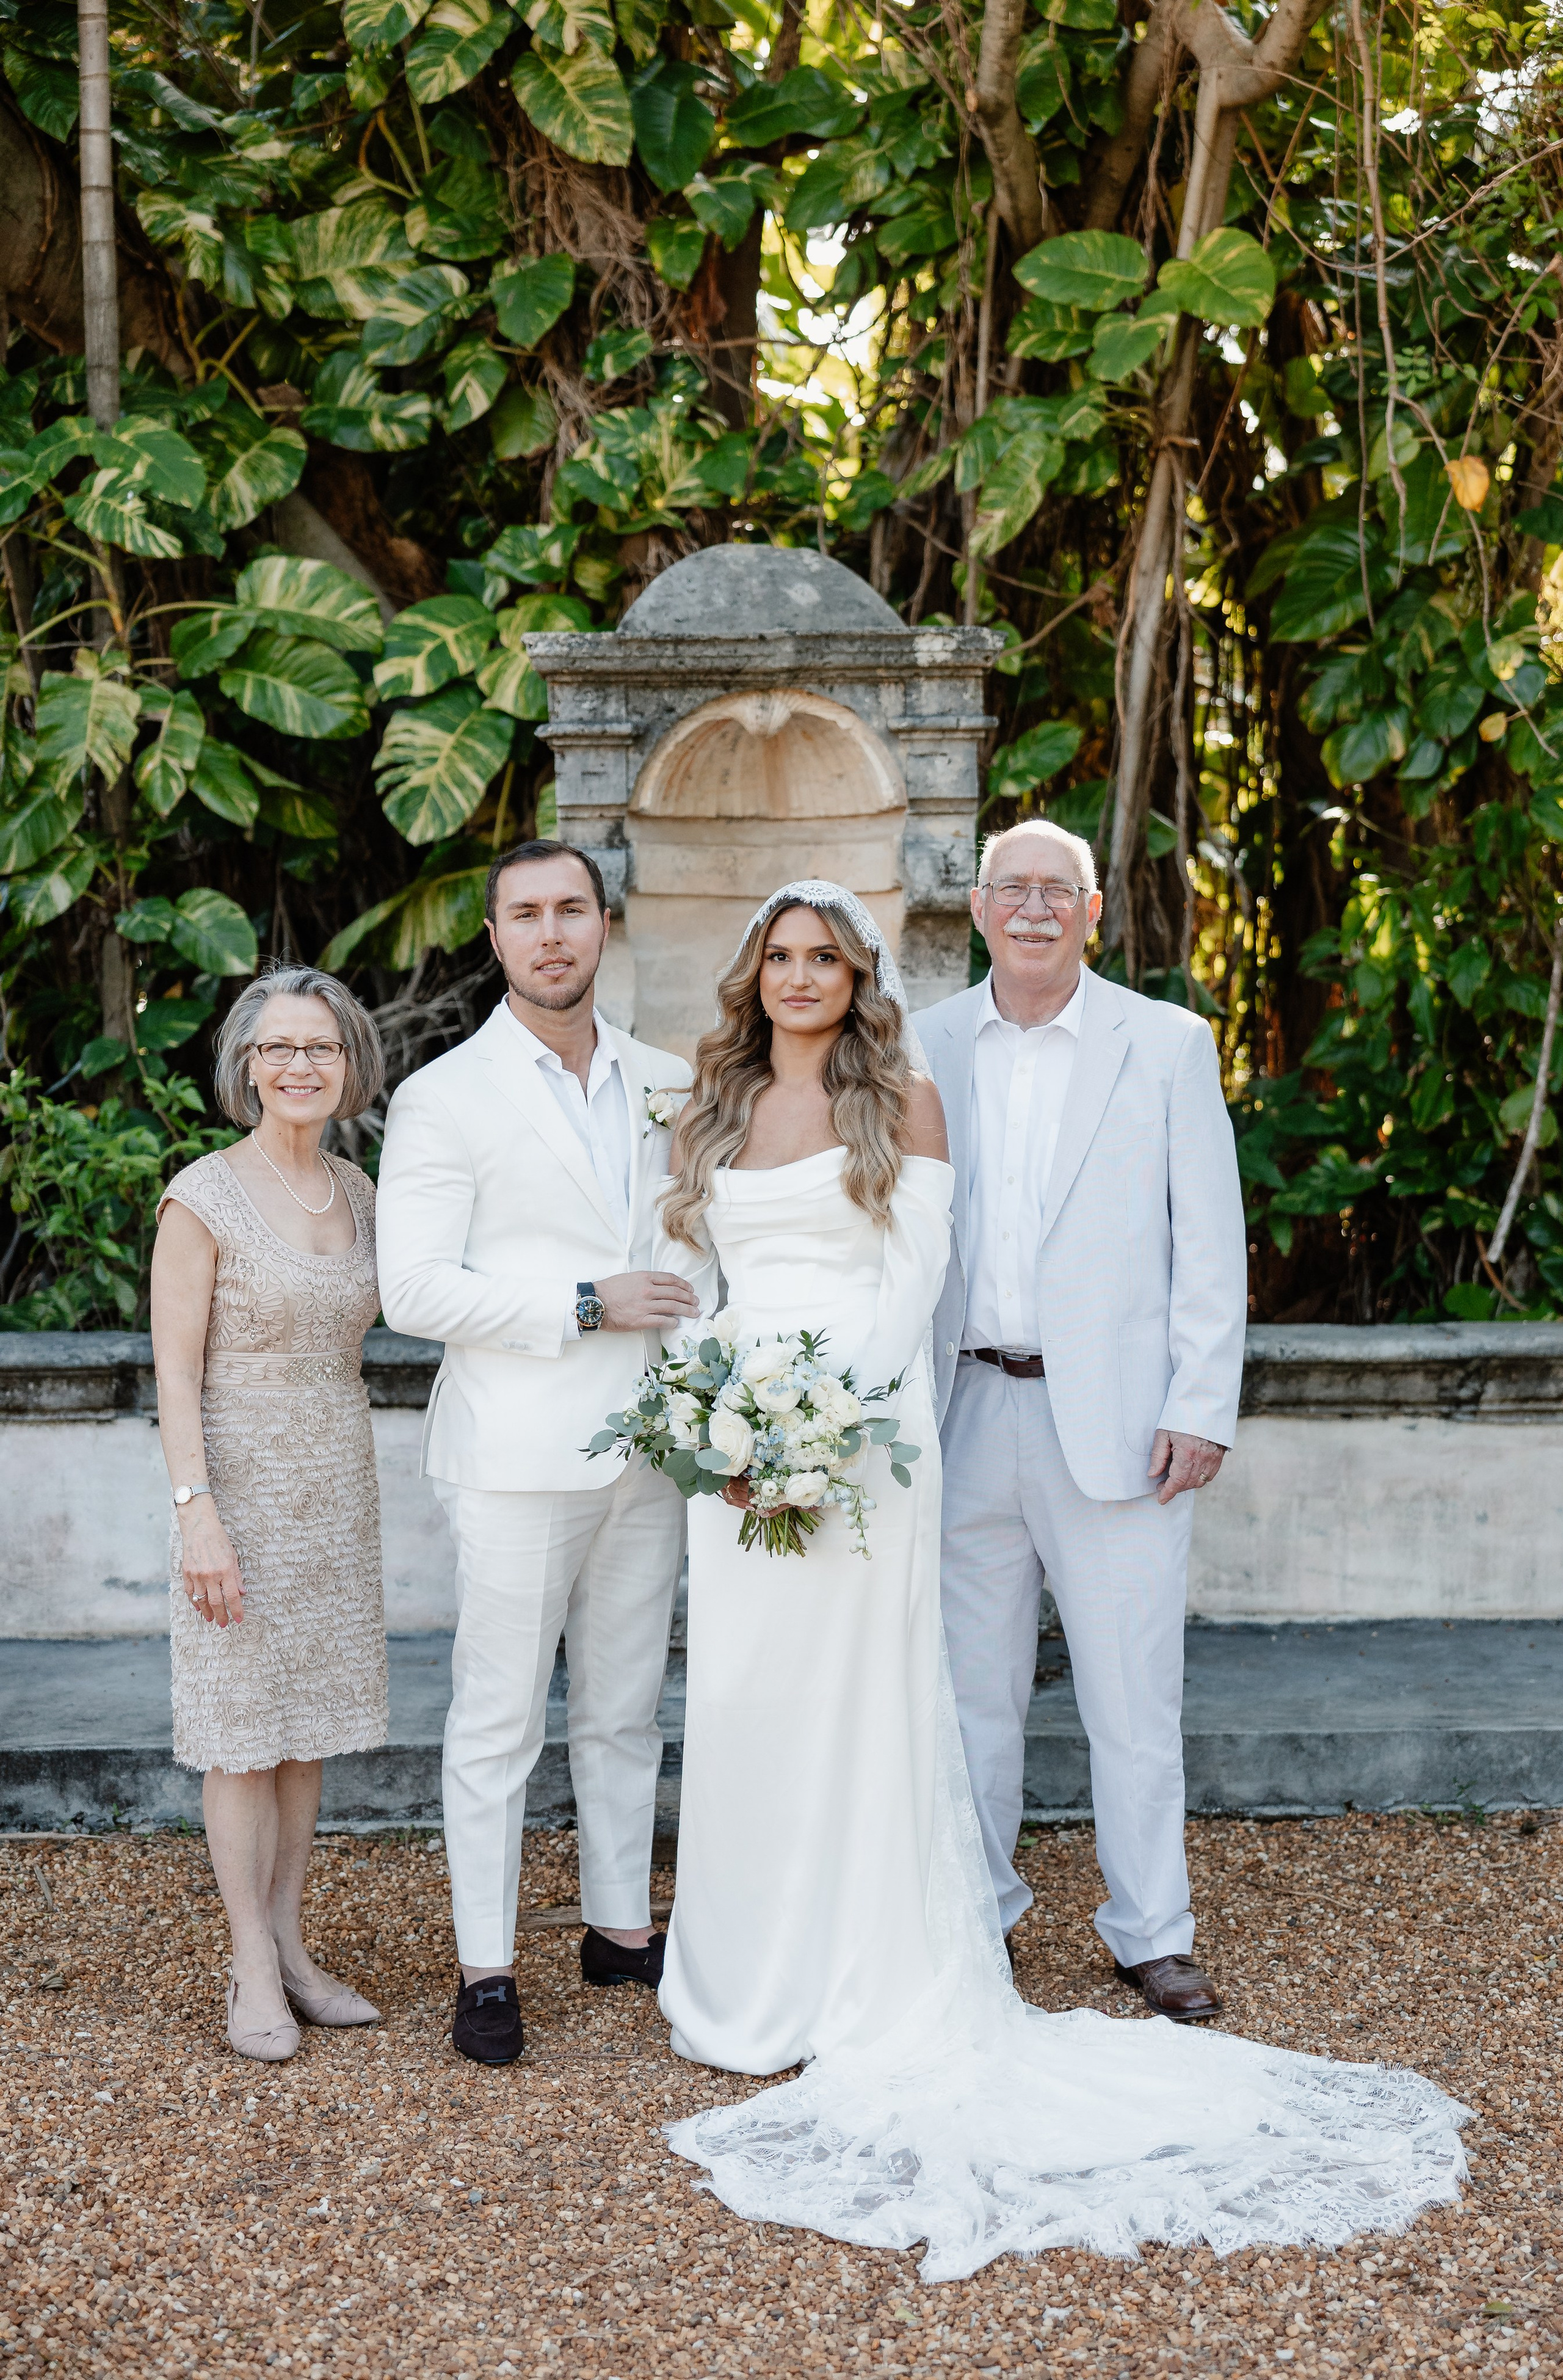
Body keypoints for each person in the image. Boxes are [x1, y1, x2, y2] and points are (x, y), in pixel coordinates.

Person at [650, 877, 1467, 2284]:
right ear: (751, 974)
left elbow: (913, 1284)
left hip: (853, 1439)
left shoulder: (900, 1097)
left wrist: (816, 1425)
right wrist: (712, 1415)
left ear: (857, 976)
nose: (798, 976)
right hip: (735, 1455)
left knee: (880, 1701)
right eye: (778, 957)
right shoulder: (705, 1109)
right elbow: (682, 1277)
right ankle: (747, 1969)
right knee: (745, 1701)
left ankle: (894, 1960)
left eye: (824, 957)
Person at [915, 820, 1246, 2021]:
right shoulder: (922, 1041)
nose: (1035, 907)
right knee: (969, 1699)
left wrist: (1199, 1402)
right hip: (962, 1409)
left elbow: (1208, 1237)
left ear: (1093, 912)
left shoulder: (1162, 1043)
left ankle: (1149, 1930)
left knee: (1130, 1694)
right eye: (1014, 887)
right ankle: (976, 1916)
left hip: (1119, 1425)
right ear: (978, 906)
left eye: (1059, 889)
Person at [375, 839, 696, 2067]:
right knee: (499, 1714)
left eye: (570, 909)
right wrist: (579, 1302)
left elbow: (693, 1255)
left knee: (622, 1706)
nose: (550, 932)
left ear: (603, 923)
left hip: (652, 1448)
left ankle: (617, 1925)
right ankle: (487, 1962)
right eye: (525, 914)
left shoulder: (668, 1081)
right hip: (512, 1451)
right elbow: (410, 1287)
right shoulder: (443, 1096)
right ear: (496, 938)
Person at [151, 963, 389, 2064]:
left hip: (336, 1487)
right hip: (237, 1490)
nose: (300, 1065)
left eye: (321, 1047)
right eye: (278, 1048)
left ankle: (293, 1944)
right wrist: (198, 1514)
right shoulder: (203, 1193)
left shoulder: (363, 1190)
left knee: (307, 1734)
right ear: (246, 1067)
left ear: (350, 1065)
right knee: (242, 1735)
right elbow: (177, 1375)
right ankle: (250, 1962)